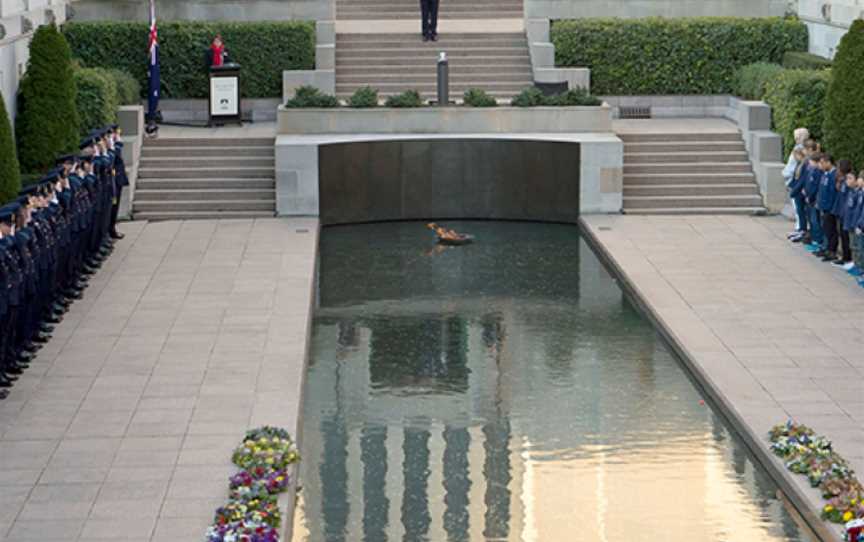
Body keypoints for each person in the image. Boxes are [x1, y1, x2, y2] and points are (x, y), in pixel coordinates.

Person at [784, 128, 810, 241]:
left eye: (797, 136)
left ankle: (801, 229)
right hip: (793, 180)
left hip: (796, 182)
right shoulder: (799, 149)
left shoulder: (800, 150)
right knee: (798, 209)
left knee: (799, 209)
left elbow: (793, 167)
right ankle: (799, 228)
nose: (795, 138)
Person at [815, 154, 839, 262]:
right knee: (826, 229)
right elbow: (822, 190)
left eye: (823, 162)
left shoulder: (834, 175)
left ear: (829, 162)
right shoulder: (825, 174)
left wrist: (830, 208)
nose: (821, 165)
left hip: (830, 208)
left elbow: (833, 194)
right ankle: (827, 249)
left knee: (831, 230)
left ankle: (832, 251)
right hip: (823, 206)